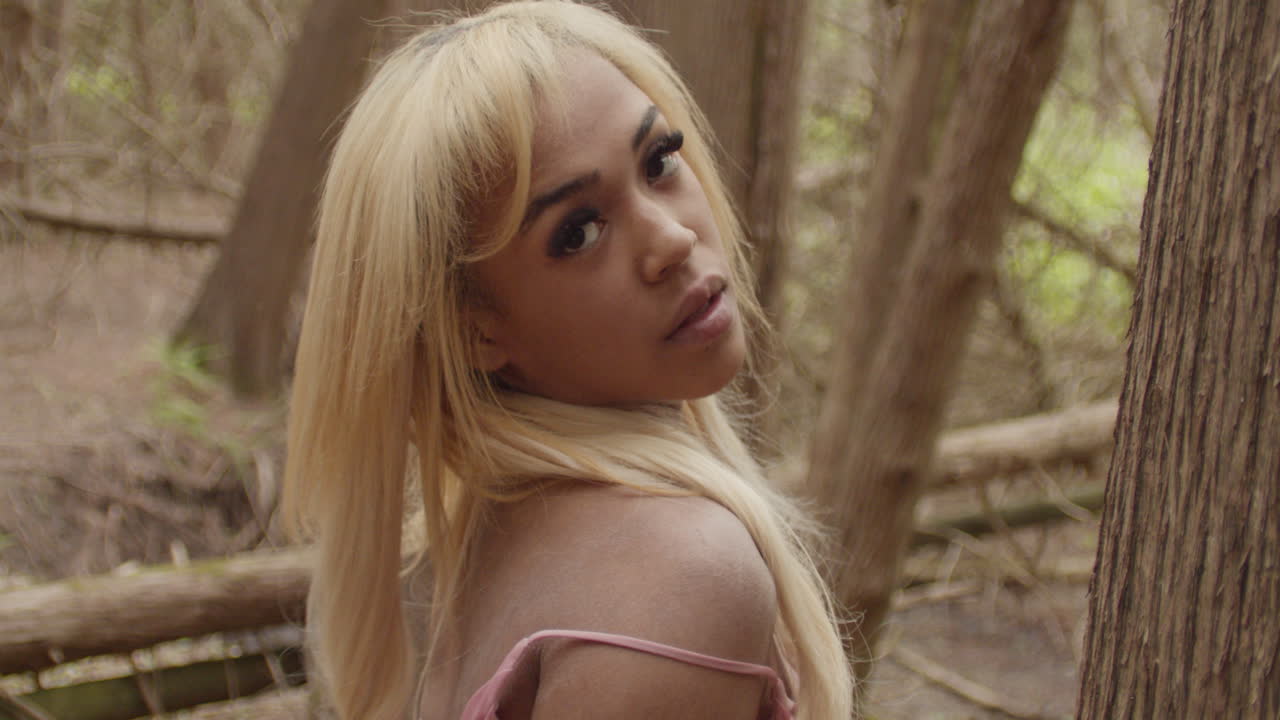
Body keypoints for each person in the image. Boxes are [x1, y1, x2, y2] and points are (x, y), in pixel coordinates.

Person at [282, 2, 855, 719]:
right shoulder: (675, 578)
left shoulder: (459, 557)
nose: (673, 238)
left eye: (659, 162)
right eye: (578, 231)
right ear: (475, 335)